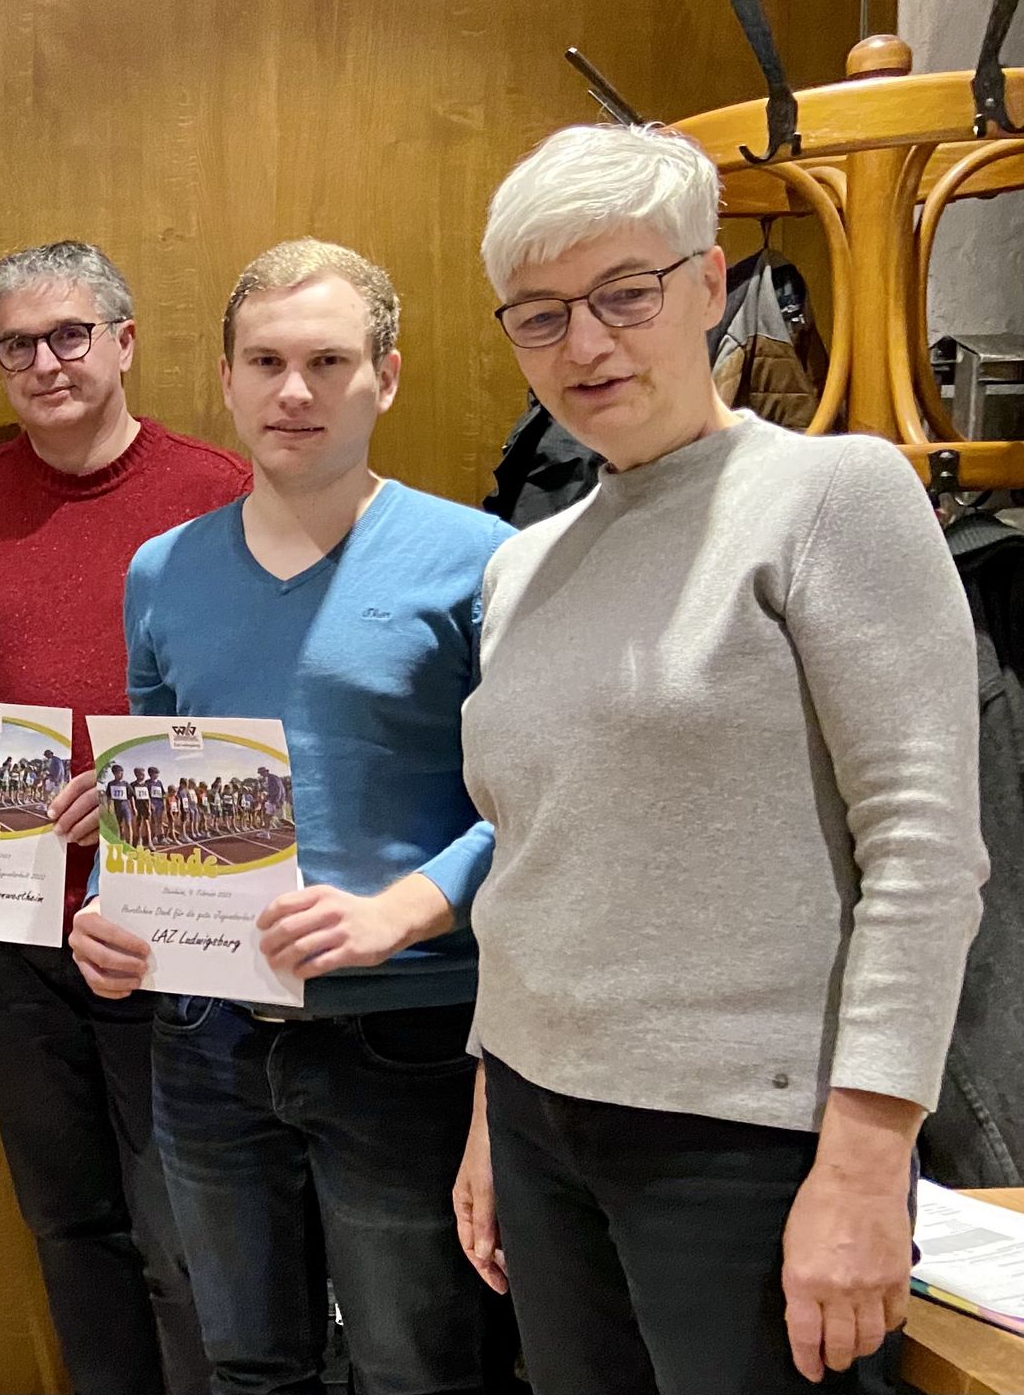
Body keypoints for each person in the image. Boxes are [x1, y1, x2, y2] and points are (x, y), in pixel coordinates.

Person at [456, 123, 988, 1395]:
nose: (584, 345)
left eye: (622, 295)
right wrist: (486, 1108)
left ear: (706, 284)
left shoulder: (831, 496)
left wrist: (867, 1161)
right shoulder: (521, 565)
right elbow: (534, 854)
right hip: (536, 1119)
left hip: (741, 1142)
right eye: (539, 316)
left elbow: (923, 850)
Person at [66, 238, 513, 1395]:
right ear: (225, 380)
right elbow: (151, 797)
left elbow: (539, 806)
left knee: (418, 1372)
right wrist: (112, 911)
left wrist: (403, 912)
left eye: (327, 361)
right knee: (246, 1367)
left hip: (406, 1033)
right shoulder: (162, 572)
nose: (294, 392)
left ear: (386, 377)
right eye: (265, 362)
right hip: (205, 1032)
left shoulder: (484, 562)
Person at [0, 241, 245, 1393]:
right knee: (69, 1229)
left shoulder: (218, 495)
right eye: (17, 345)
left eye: (69, 335)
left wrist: (139, 799)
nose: (45, 363)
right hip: (7, 929)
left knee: (188, 1243)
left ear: (124, 342)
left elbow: (265, 709)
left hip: (173, 931)